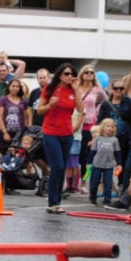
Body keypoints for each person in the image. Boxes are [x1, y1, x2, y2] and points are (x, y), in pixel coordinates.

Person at [38, 62, 84, 214]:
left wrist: (77, 91)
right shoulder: (49, 89)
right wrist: (50, 105)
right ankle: (53, 202)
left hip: (67, 133)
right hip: (51, 132)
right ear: (59, 75)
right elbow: (39, 111)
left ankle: (56, 201)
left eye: (72, 74)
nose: (70, 76)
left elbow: (80, 109)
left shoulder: (73, 90)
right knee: (57, 167)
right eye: (67, 74)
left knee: (62, 168)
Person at [97, 77, 131, 179]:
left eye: (121, 88)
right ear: (112, 89)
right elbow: (100, 121)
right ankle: (108, 185)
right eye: (116, 88)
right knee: (106, 161)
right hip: (108, 138)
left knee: (122, 161)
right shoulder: (106, 104)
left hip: (124, 137)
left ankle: (121, 183)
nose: (118, 90)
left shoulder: (129, 102)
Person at [76, 65, 106, 193]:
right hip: (76, 124)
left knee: (86, 156)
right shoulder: (76, 87)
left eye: (91, 73)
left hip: (90, 125)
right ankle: (72, 183)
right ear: (82, 74)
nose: (89, 74)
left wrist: (97, 112)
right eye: (86, 72)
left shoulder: (96, 89)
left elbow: (104, 101)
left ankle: (83, 182)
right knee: (74, 155)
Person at [87, 118, 122, 208]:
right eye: (108, 126)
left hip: (109, 165)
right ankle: (93, 197)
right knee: (94, 182)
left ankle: (107, 200)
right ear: (103, 127)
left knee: (108, 183)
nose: (110, 128)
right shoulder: (98, 139)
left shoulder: (115, 140)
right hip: (97, 164)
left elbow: (117, 153)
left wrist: (119, 164)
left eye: (112, 126)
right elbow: (93, 151)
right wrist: (88, 162)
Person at [0, 78, 30, 157]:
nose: (15, 88)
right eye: (13, 86)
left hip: (19, 133)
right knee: (6, 156)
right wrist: (5, 133)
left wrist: (25, 132)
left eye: (17, 86)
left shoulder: (23, 101)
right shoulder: (3, 99)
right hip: (6, 132)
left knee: (18, 156)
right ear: (9, 87)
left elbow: (25, 117)